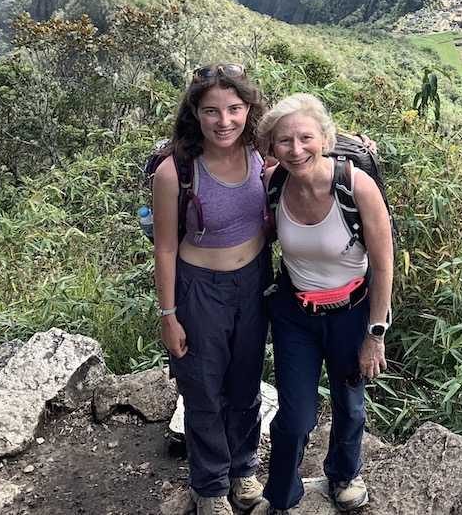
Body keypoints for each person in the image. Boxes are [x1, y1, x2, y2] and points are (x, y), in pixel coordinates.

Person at [254, 93, 393, 514]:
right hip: (297, 315)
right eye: (284, 142)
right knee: (295, 415)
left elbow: (384, 266)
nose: (296, 150)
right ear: (271, 147)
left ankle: (345, 473)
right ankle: (282, 493)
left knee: (349, 402)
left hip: (352, 312)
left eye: (305, 138)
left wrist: (376, 335)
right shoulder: (273, 182)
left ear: (325, 138)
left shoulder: (356, 186)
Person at [152, 64, 272, 515]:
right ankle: (209, 487)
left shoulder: (262, 151)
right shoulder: (175, 173)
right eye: (212, 111)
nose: (225, 121)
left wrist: (358, 144)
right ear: (195, 114)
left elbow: (311, 143)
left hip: (254, 282)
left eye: (235, 109)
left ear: (248, 110)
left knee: (245, 386)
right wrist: (170, 315)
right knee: (203, 390)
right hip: (200, 289)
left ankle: (244, 470)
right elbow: (165, 249)